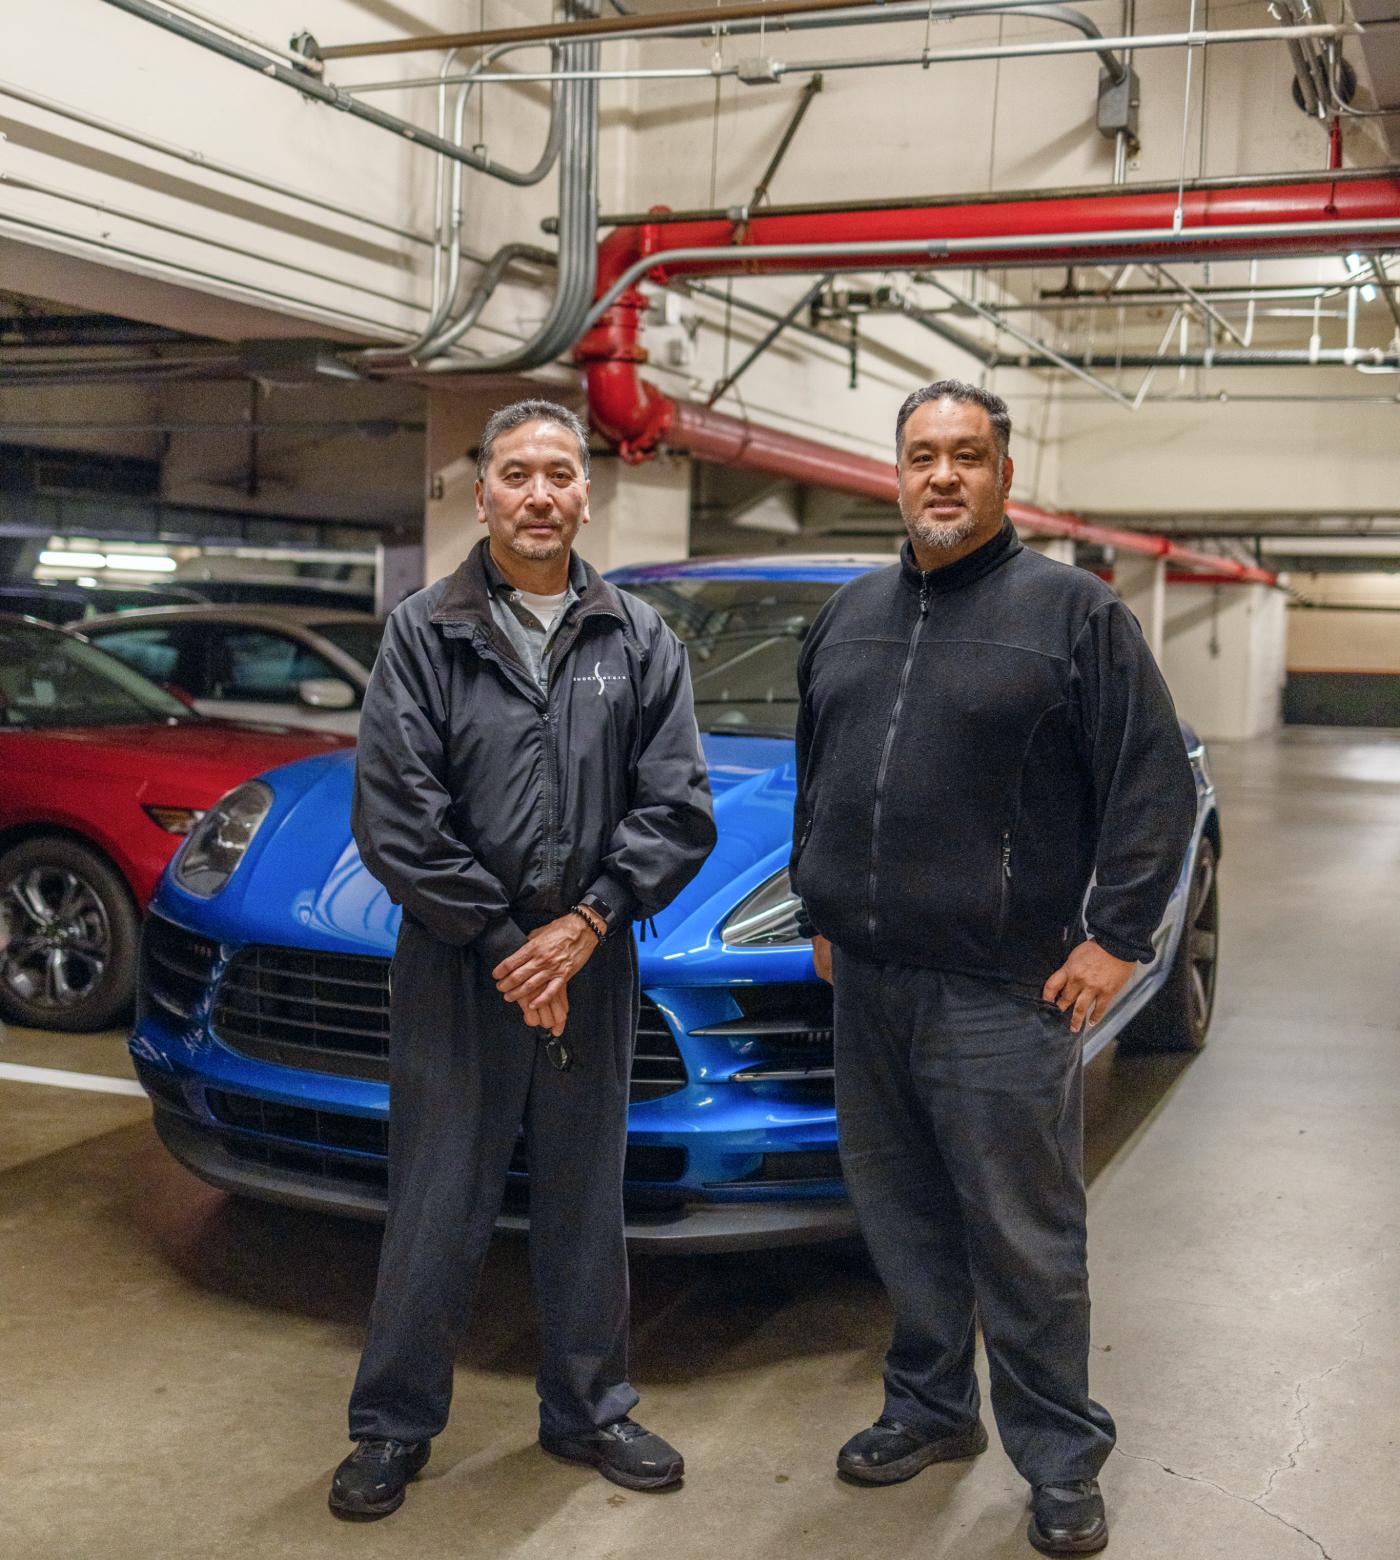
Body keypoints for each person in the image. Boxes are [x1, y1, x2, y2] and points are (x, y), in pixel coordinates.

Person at [789, 380, 1196, 1556]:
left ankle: (1060, 1457)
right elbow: (820, 772)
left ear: (1003, 474)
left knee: (1022, 1236)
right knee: (901, 1216)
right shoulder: (851, 613)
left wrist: (1115, 938)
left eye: (967, 455)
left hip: (999, 992)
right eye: (922, 456)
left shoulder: (1072, 613)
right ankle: (928, 1408)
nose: (943, 477)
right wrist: (824, 900)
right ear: (895, 472)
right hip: (867, 980)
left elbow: (1149, 786)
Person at [330, 398, 716, 1520]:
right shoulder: (423, 630)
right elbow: (397, 814)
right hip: (460, 967)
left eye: (559, 472)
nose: (539, 494)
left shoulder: (637, 640)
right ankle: (392, 1428)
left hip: (588, 966)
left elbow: (676, 803)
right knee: (436, 1202)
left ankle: (589, 1410)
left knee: (584, 1197)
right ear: (483, 490)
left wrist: (586, 924)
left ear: (585, 493)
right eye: (515, 473)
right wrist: (508, 946)